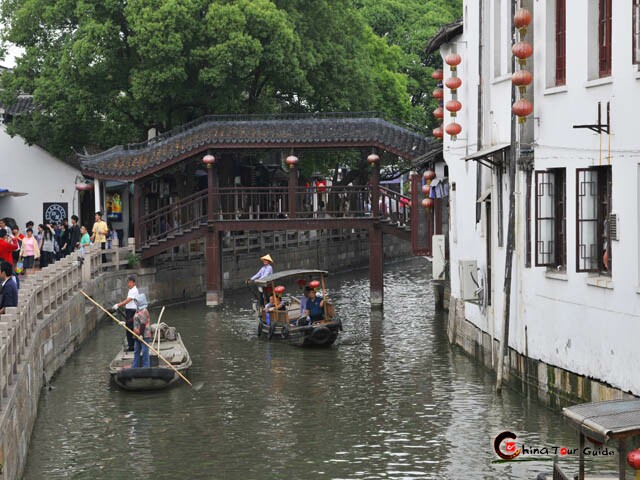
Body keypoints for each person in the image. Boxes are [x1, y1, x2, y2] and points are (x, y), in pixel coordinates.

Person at [113, 275, 139, 352]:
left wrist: (119, 304)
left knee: (129, 328)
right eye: (128, 282)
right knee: (128, 327)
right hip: (128, 310)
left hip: (132, 311)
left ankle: (131, 346)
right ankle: (131, 344)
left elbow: (128, 300)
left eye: (130, 282)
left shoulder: (134, 290)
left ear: (134, 283)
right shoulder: (131, 290)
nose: (129, 284)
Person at [131, 293, 152, 368]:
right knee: (136, 351)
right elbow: (135, 320)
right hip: (136, 335)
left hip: (144, 335)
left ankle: (146, 366)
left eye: (137, 301)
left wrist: (141, 335)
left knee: (144, 351)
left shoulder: (144, 311)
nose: (135, 303)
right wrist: (125, 322)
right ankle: (135, 366)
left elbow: (143, 324)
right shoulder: (137, 310)